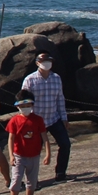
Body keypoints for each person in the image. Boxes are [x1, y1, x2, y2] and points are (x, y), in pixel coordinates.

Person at [21, 51, 72, 182]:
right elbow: (24, 101)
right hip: (36, 121)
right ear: (37, 63)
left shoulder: (56, 78)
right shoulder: (30, 80)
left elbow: (60, 99)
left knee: (65, 144)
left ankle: (60, 173)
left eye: (49, 61)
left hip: (54, 118)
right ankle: (32, 179)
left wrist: (64, 118)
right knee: (33, 151)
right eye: (43, 61)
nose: (47, 63)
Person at [5, 92, 50, 195]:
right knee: (16, 179)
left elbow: (45, 137)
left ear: (32, 105)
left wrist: (48, 154)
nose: (26, 108)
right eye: (23, 106)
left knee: (32, 181)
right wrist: (11, 155)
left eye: (28, 105)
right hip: (19, 155)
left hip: (34, 155)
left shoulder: (38, 120)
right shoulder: (14, 120)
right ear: (18, 107)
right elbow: (11, 139)